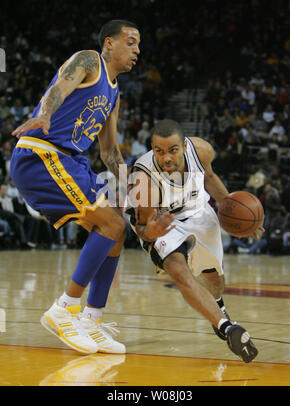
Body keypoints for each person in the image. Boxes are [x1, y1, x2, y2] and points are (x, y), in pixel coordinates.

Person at [10, 20, 141, 355]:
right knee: (110, 223)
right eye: (131, 42)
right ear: (109, 43)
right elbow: (56, 91)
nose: (137, 50)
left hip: (72, 161)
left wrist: (127, 186)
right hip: (41, 155)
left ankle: (92, 319)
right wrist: (45, 115)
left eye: (138, 45)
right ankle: (63, 309)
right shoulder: (87, 61)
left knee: (118, 228)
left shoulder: (114, 92)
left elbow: (108, 150)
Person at [126, 119, 259, 363]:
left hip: (199, 212)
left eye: (173, 150)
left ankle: (216, 304)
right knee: (178, 270)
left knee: (214, 279)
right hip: (162, 222)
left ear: (184, 146)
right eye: (159, 151)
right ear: (152, 148)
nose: (166, 158)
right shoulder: (143, 178)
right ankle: (227, 328)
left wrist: (233, 208)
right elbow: (143, 228)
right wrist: (152, 233)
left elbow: (208, 177)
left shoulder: (202, 150)